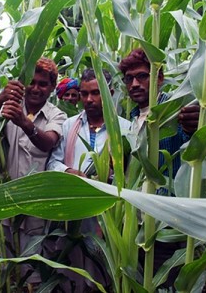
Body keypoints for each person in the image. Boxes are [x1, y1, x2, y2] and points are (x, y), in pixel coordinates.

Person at [0, 57, 67, 286]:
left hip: (35, 209)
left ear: (52, 87)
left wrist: (24, 123)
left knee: (32, 274)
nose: (36, 88)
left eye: (43, 84)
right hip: (3, 205)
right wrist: (0, 99)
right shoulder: (9, 105)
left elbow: (48, 142)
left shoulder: (57, 115)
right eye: (32, 82)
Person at [46, 68, 130, 291]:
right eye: (84, 94)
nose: (89, 99)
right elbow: (52, 163)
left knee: (103, 271)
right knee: (73, 272)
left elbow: (132, 176)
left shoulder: (125, 129)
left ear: (109, 93)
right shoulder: (68, 125)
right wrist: (68, 172)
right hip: (73, 213)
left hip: (108, 215)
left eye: (95, 93)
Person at [119, 48, 199, 180]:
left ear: (159, 78)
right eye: (128, 78)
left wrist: (193, 130)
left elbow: (193, 148)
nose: (134, 84)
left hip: (163, 197)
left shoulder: (176, 110)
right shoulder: (132, 120)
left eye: (142, 76)